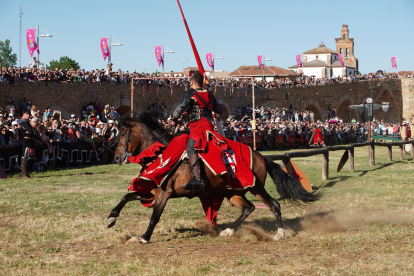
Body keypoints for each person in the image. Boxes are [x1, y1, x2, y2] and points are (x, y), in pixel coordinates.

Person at [172, 72, 222, 191]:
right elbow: (219, 109)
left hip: (197, 126)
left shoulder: (190, 93)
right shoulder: (209, 94)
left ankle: (197, 178)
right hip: (209, 126)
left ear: (192, 82)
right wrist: (211, 98)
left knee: (191, 148)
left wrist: (173, 118)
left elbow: (180, 107)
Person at [20, 110, 36, 178]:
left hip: (30, 140)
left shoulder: (27, 122)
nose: (28, 116)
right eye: (27, 114)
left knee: (28, 157)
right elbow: (30, 131)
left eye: (28, 114)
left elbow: (33, 131)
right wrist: (31, 131)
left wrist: (32, 131)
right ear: (24, 114)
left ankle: (27, 173)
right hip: (26, 141)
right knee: (25, 157)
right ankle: (24, 174)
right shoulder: (24, 122)